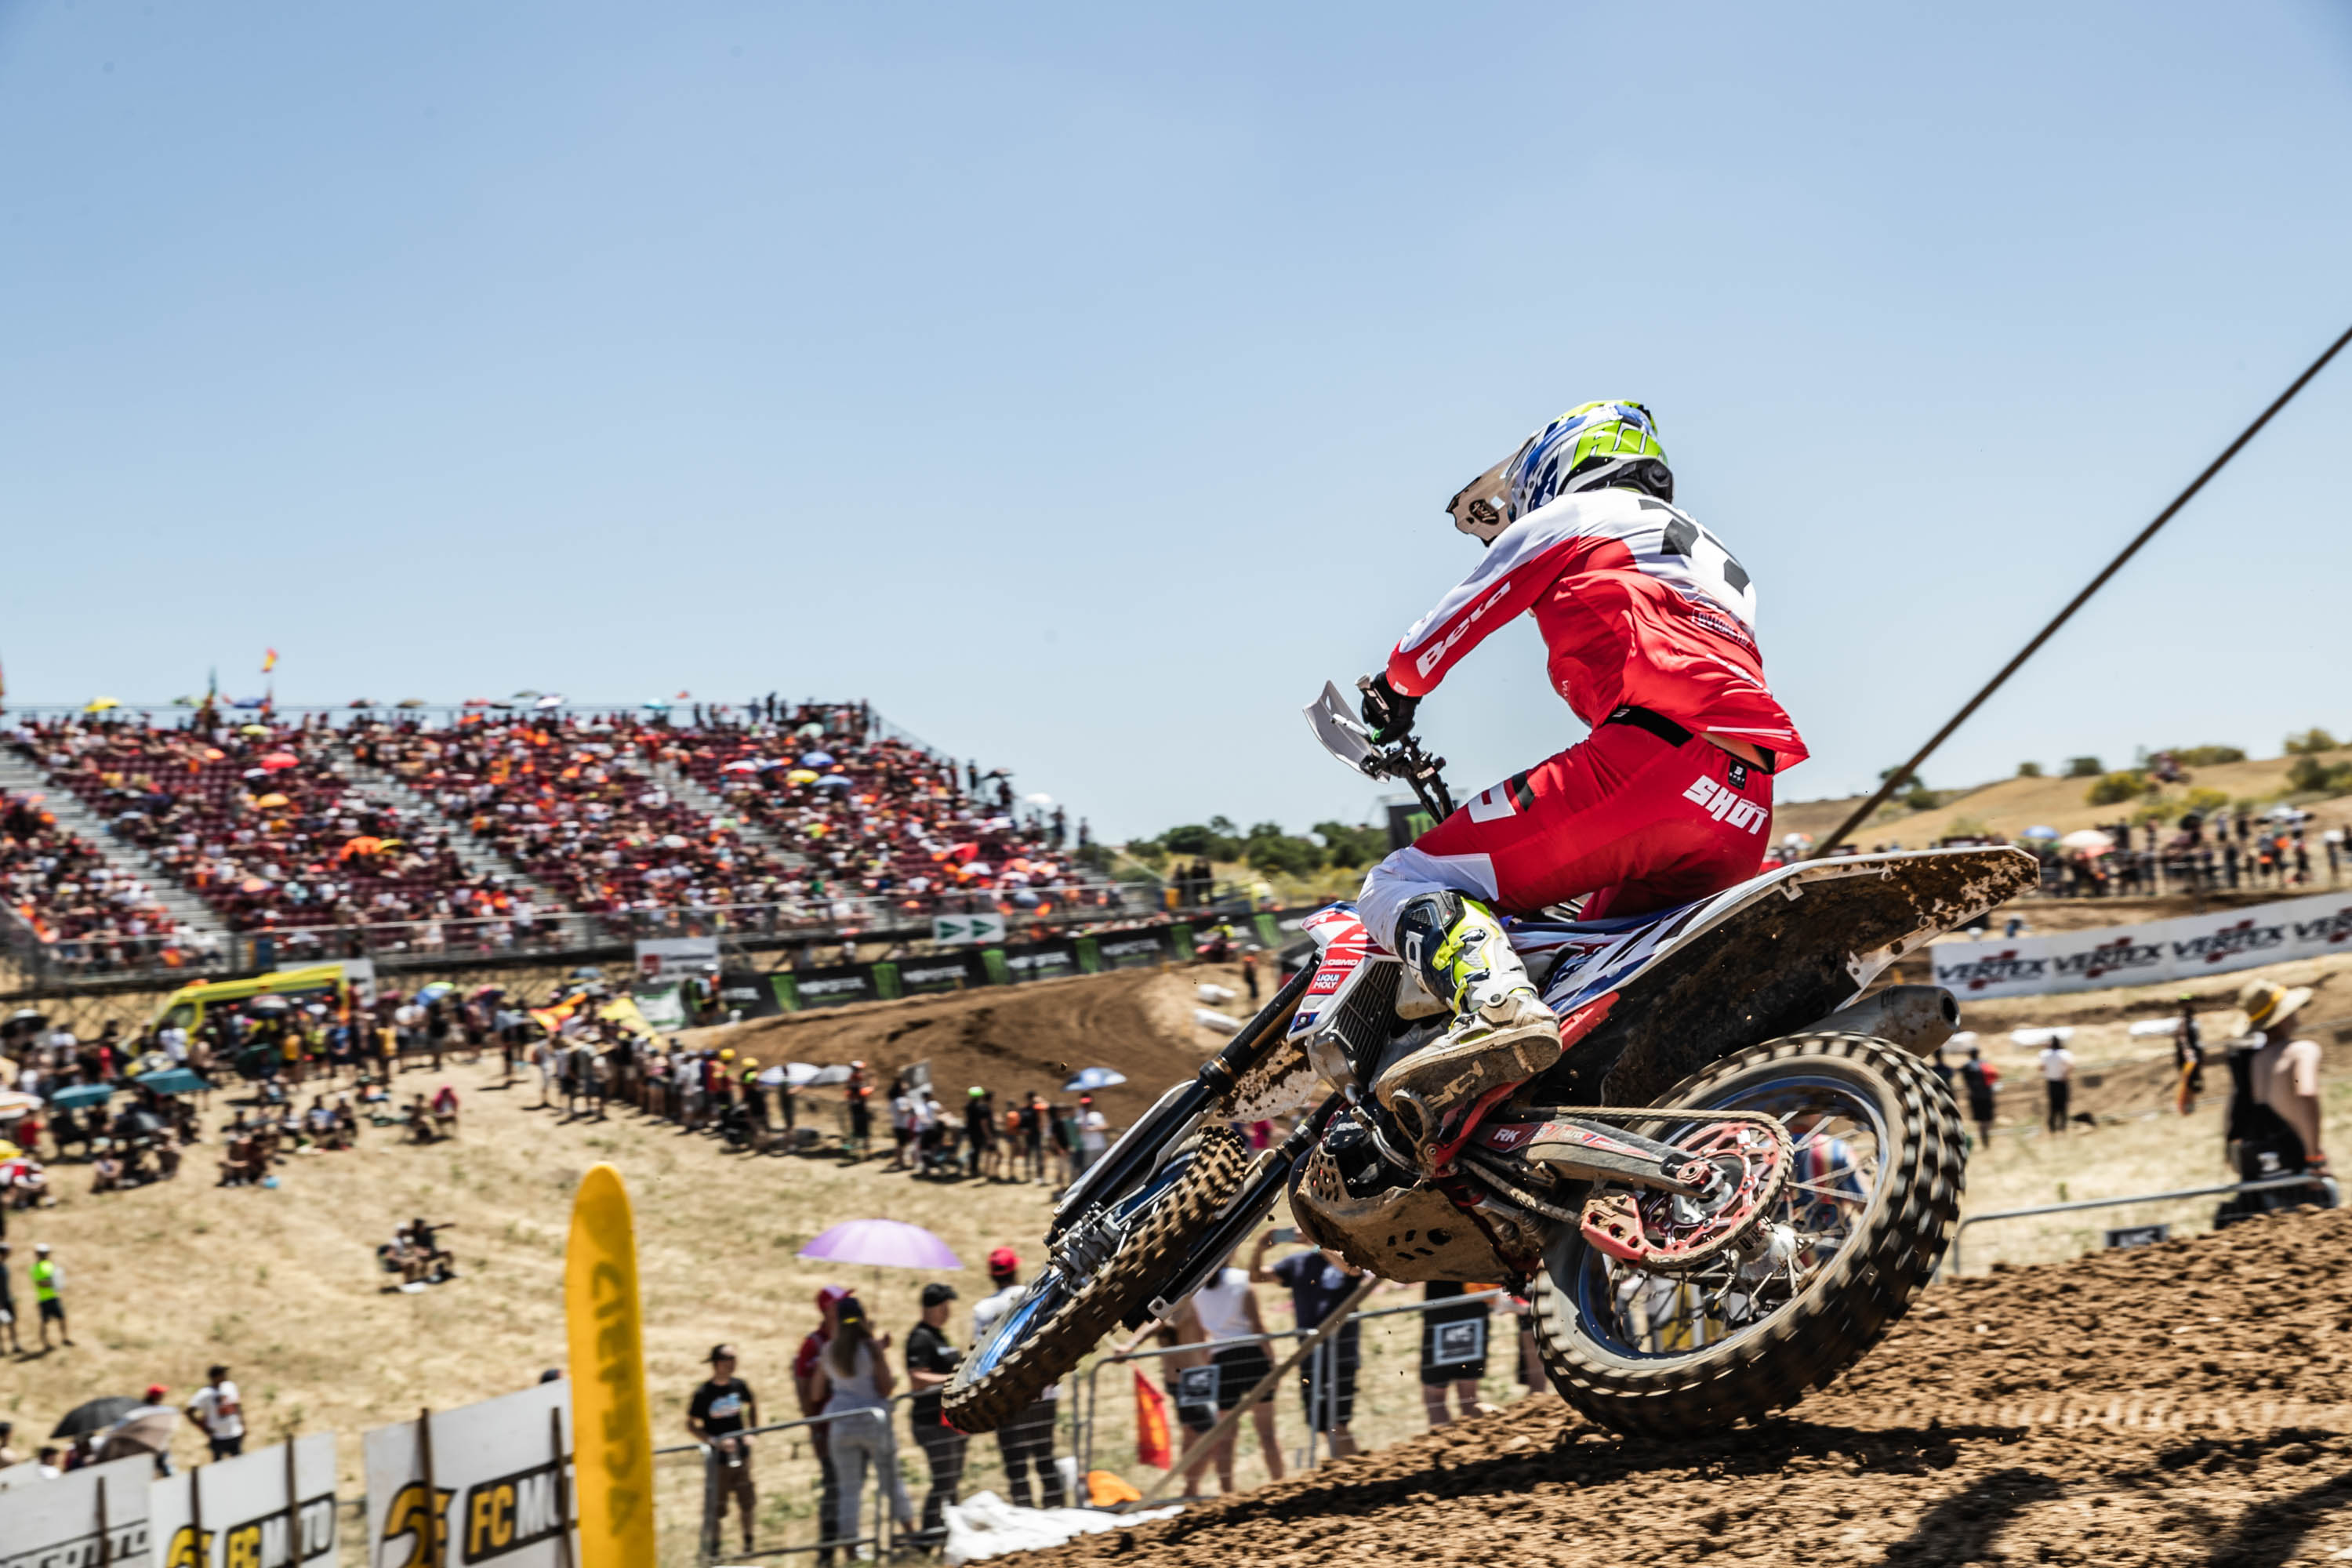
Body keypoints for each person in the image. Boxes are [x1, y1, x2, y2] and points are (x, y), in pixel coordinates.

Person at [1351, 401, 1806, 1167]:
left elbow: (1450, 624)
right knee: (1587, 982)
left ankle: (1497, 1008)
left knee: (1403, 879)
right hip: (1743, 800)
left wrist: (1394, 692)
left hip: (1649, 768)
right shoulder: (1715, 557)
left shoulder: (1579, 513)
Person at [810, 1298, 913, 1548]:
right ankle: (910, 1534)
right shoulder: (870, 1348)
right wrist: (879, 1351)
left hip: (841, 1426)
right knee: (891, 1480)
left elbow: (815, 1393)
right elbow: (886, 1387)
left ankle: (850, 1548)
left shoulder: (829, 1350)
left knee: (849, 1489)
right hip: (873, 1423)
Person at [967, 1249, 1065, 1508]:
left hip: (1007, 1396)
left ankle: (1023, 1512)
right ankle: (1056, 1509)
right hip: (1042, 1390)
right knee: (1045, 1456)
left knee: (1015, 1463)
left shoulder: (982, 1310)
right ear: (1015, 1270)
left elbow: (980, 1355)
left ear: (992, 1275)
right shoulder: (1033, 1295)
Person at [1252, 1232, 1363, 1457]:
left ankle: (1354, 1469)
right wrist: (1259, 1249)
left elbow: (1354, 1271)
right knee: (1322, 1425)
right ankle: (1348, 1467)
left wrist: (1317, 1241)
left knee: (1337, 1423)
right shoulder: (1297, 1262)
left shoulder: (1346, 1258)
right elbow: (1257, 1277)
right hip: (1310, 1356)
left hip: (1341, 1353)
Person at [1183, 1258, 1284, 1491]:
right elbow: (1258, 1326)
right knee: (1266, 1432)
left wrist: (1209, 1361)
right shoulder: (1241, 1279)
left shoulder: (1197, 1291)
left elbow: (1201, 1335)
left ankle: (1227, 1491)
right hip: (1252, 1356)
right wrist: (1272, 1361)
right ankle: (1280, 1484)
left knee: (1226, 1436)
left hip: (1222, 1360)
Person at [903, 1283, 966, 1545]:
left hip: (947, 1421)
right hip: (931, 1422)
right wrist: (952, 1379)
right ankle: (929, 1538)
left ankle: (949, 1532)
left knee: (951, 1479)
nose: (947, 1311)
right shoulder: (920, 1338)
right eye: (944, 1305)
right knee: (944, 1479)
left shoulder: (938, 1336)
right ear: (933, 1307)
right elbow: (917, 1377)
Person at [795, 1287, 851, 1566]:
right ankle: (827, 1554)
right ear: (828, 1309)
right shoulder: (813, 1345)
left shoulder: (849, 1337)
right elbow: (805, 1392)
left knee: (850, 1489)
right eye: (841, 1303)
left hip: (852, 1426)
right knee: (834, 1490)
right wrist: (815, 1431)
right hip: (827, 1431)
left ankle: (851, 1549)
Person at [688, 1344, 760, 1558]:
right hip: (718, 1461)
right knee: (717, 1507)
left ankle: (748, 1544)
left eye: (735, 1358)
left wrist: (752, 1432)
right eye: (729, 1358)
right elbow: (691, 1424)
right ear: (717, 1362)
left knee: (747, 1502)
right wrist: (713, 1441)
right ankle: (715, 1550)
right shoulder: (704, 1393)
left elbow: (753, 1405)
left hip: (741, 1456)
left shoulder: (739, 1386)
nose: (733, 1363)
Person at [1416, 1282, 1490, 1428]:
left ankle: (1449, 1441)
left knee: (1435, 1397)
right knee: (1468, 1395)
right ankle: (1475, 1438)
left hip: (1444, 1311)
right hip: (1473, 1307)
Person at [187, 1364, 245, 1460]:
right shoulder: (204, 1393)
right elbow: (189, 1412)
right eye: (222, 1374)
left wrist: (242, 1424)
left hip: (234, 1433)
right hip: (218, 1436)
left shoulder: (230, 1386)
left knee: (239, 1461)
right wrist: (204, 1428)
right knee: (218, 1465)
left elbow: (237, 1406)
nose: (225, 1376)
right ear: (215, 1377)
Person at [1960, 1046, 1998, 1152]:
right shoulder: (1985, 1063)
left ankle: (1984, 1139)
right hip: (1987, 1095)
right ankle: (1986, 1138)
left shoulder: (1967, 1066)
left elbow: (1966, 1081)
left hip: (1975, 1096)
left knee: (1981, 1121)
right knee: (1988, 1119)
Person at [30, 1241, 68, 1348]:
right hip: (44, 1299)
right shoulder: (36, 1268)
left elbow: (57, 1277)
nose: (45, 1255)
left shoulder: (50, 1265)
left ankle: (65, 1339)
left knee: (62, 1318)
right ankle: (45, 1344)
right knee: (44, 1322)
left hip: (54, 1296)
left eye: (45, 1252)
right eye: (43, 1253)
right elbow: (40, 1283)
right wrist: (54, 1282)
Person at [2040, 1036, 2076, 1135]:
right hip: (2062, 1082)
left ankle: (2053, 1128)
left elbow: (2041, 1067)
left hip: (2052, 1083)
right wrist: (2065, 1075)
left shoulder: (2045, 1054)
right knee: (2063, 1105)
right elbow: (2071, 1065)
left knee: (2053, 1106)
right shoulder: (2065, 1053)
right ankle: (2062, 1127)